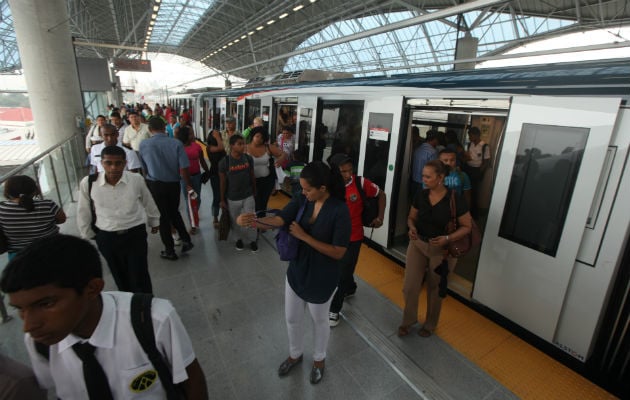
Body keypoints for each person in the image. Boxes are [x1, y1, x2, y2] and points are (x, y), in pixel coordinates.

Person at [0, 234, 208, 399]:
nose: (28, 325)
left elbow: (192, 381)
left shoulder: (153, 320)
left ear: (92, 288)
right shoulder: (39, 343)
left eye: (46, 304)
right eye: (20, 309)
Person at [236, 161, 351, 385]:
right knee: (292, 318)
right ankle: (295, 354)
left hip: (322, 276)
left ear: (323, 189)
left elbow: (338, 252)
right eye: (302, 188)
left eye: (308, 189)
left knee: (319, 320)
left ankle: (319, 359)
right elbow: (280, 219)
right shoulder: (302, 200)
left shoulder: (339, 211)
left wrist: (305, 237)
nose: (303, 192)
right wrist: (253, 221)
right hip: (298, 270)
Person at [398, 160, 472, 338]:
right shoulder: (421, 195)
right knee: (409, 286)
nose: (423, 179)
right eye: (423, 175)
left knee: (435, 288)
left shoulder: (455, 199)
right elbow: (411, 217)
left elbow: (467, 226)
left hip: (443, 251)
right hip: (418, 244)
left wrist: (448, 238)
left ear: (441, 178)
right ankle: (408, 320)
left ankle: (430, 324)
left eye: (427, 176)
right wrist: (411, 227)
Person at [78, 145, 160, 294]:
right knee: (119, 275)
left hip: (134, 234)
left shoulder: (136, 179)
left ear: (125, 163)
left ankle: (146, 305)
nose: (114, 168)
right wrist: (87, 233)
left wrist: (154, 221)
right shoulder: (89, 183)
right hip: (107, 236)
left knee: (139, 274)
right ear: (101, 163)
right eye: (108, 163)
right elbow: (83, 210)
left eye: (118, 163)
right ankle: (128, 304)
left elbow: (148, 200)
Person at [327, 154, 386, 326]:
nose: (347, 175)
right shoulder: (328, 186)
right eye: (343, 171)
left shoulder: (360, 183)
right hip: (332, 235)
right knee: (342, 269)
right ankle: (350, 286)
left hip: (354, 236)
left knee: (342, 271)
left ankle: (334, 309)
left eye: (350, 171)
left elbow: (381, 195)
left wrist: (380, 217)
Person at [139, 117, 194, 261]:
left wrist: (147, 184)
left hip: (155, 185)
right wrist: (188, 184)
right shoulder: (176, 143)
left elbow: (143, 169)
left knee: (162, 218)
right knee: (174, 212)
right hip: (173, 184)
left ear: (150, 129)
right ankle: (186, 240)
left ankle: (169, 250)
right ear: (164, 127)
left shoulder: (143, 144)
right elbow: (184, 167)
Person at [0, 175, 66, 261]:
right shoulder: (48, 204)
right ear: (34, 190)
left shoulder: (1, 209)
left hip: (19, 258)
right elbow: (62, 219)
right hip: (52, 250)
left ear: (8, 191)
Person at [219, 134, 257, 252]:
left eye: (243, 143)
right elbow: (222, 182)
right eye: (239, 144)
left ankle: (252, 240)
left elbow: (252, 175)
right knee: (235, 220)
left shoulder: (248, 158)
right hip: (233, 197)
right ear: (232, 146)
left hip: (248, 195)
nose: (243, 146)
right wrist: (222, 199)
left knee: (251, 218)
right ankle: (238, 239)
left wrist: (254, 190)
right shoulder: (224, 162)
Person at [176, 126, 210, 234]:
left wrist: (208, 171)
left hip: (196, 176)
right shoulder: (178, 147)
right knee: (189, 201)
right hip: (184, 178)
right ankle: (193, 224)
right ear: (185, 136)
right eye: (190, 134)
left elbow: (202, 161)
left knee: (197, 199)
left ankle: (195, 213)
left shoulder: (197, 146)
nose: (193, 135)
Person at [246, 126, 284, 217]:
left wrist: (280, 160)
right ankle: (255, 220)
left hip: (267, 181)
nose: (259, 139)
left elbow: (283, 154)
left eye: (262, 137)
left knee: (263, 202)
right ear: (253, 136)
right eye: (257, 136)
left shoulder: (268, 147)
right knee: (255, 202)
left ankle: (261, 222)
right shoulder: (245, 148)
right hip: (250, 181)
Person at [464, 126, 491, 219]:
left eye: (471, 135)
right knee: (466, 190)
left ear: (476, 135)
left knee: (474, 193)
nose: (469, 137)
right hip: (468, 168)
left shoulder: (484, 146)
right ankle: (465, 211)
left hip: (476, 170)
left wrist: (480, 172)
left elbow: (486, 161)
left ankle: (474, 214)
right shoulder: (469, 144)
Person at [206, 128, 226, 228]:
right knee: (217, 196)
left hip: (224, 174)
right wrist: (218, 136)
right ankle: (215, 217)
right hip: (215, 174)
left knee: (225, 195)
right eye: (217, 136)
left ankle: (224, 216)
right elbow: (221, 147)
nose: (219, 136)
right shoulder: (209, 147)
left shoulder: (218, 146)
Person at [410, 130, 438, 198]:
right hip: (424, 184)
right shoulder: (433, 152)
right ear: (435, 139)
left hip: (413, 181)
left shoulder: (418, 149)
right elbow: (433, 170)